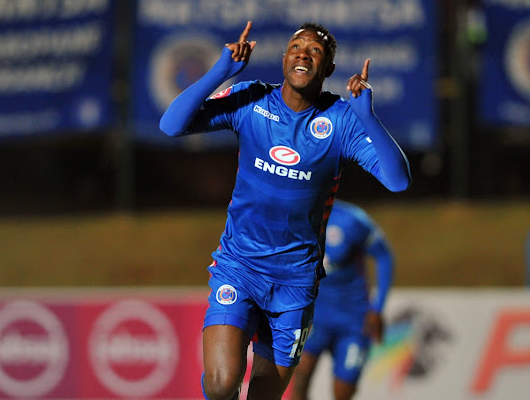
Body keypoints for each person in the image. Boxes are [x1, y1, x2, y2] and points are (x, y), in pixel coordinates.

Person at [159, 21, 411, 400]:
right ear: (284, 59)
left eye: (315, 51)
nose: (303, 53)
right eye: (296, 46)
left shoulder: (341, 121)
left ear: (326, 69)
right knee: (222, 382)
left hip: (294, 284)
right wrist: (222, 71)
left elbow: (398, 181)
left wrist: (368, 117)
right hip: (240, 267)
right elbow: (171, 124)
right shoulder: (251, 100)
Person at [290, 199, 394, 400]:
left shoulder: (352, 220)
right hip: (315, 318)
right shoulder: (297, 215)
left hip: (353, 321)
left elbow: (384, 256)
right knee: (299, 379)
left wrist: (377, 307)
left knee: (343, 392)